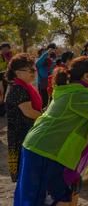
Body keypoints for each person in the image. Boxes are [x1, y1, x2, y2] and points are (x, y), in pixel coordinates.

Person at [14, 56, 88, 205]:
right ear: (86, 76)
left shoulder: (80, 90)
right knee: (50, 197)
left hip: (45, 146)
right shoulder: (78, 94)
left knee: (60, 194)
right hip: (46, 149)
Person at [5, 53, 42, 182]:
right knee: (26, 174)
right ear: (17, 72)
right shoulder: (17, 89)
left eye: (34, 69)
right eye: (30, 70)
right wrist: (46, 116)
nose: (33, 73)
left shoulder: (25, 87)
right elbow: (29, 112)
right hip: (21, 135)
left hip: (26, 133)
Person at [35, 43, 57, 108]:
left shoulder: (50, 60)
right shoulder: (39, 61)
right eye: (43, 52)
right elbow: (37, 64)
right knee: (43, 100)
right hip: (42, 83)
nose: (46, 54)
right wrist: (47, 53)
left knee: (51, 99)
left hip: (50, 82)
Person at [0, 42, 14, 117]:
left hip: (6, 77)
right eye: (3, 49)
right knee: (1, 93)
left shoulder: (10, 56)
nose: (5, 50)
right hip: (0, 76)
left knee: (5, 93)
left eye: (7, 49)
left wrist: (7, 58)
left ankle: (3, 110)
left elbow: (11, 66)